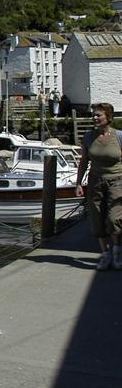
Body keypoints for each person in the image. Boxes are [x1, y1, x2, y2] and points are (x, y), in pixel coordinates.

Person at [75, 103, 122, 271]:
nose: (95, 118)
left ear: (108, 117)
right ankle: (105, 254)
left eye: (98, 115)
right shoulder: (88, 137)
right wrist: (78, 182)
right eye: (93, 115)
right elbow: (83, 161)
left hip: (117, 181)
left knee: (114, 218)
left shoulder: (119, 136)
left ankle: (117, 253)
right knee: (96, 218)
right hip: (95, 181)